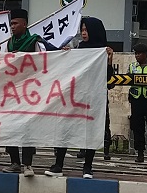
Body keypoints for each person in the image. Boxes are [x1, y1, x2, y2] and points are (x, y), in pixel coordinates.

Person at [45, 17, 112, 179]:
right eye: (82, 29)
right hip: (74, 98)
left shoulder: (103, 52)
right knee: (65, 129)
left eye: (86, 29)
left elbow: (109, 81)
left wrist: (109, 61)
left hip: (94, 100)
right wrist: (66, 55)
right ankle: (58, 165)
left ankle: (88, 167)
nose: (83, 32)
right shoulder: (78, 49)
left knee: (91, 131)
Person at [0, 8, 46, 177]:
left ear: (24, 24)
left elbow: (46, 60)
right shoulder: (8, 43)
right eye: (10, 24)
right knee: (11, 127)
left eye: (15, 23)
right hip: (12, 93)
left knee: (27, 128)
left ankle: (27, 164)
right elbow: (4, 65)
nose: (12, 27)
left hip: (30, 92)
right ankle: (14, 162)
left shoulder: (35, 42)